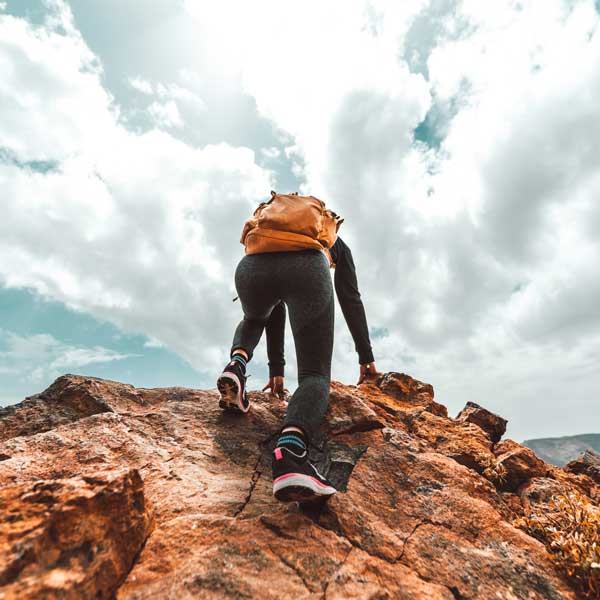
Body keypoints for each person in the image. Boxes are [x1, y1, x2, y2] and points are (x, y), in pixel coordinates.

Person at [217, 232, 380, 503]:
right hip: (308, 272)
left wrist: (276, 369)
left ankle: (237, 364)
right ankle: (290, 454)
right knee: (314, 375)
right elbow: (349, 297)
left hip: (250, 270)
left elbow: (275, 306)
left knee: (254, 317)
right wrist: (366, 355)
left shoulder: (269, 234)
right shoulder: (330, 237)